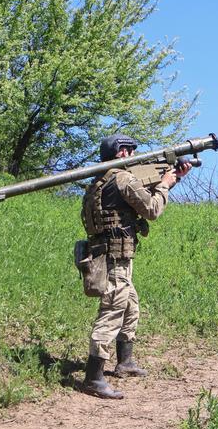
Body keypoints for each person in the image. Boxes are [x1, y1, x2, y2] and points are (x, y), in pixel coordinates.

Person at [79, 134, 191, 398]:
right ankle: (93, 377)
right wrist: (165, 184)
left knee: (130, 306)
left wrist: (171, 181)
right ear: (122, 153)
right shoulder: (123, 179)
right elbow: (152, 209)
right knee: (112, 312)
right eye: (130, 151)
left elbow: (131, 207)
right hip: (115, 258)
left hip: (106, 256)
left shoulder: (98, 182)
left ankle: (125, 362)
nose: (133, 156)